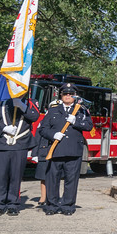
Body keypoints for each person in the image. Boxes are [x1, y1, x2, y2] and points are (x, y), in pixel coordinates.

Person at [38, 83, 92, 215]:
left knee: (71, 180)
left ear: (75, 96)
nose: (68, 96)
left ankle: (68, 206)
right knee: (52, 180)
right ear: (60, 95)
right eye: (65, 94)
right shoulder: (53, 110)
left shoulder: (81, 110)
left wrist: (76, 122)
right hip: (56, 150)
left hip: (73, 151)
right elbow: (42, 129)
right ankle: (52, 206)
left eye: (71, 94)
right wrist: (53, 135)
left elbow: (89, 126)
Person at [0, 93, 40, 216]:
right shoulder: (1, 104)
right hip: (2, 144)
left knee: (16, 176)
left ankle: (13, 204)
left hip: (20, 144)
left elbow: (34, 117)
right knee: (0, 176)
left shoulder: (30, 103)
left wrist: (22, 106)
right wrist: (4, 128)